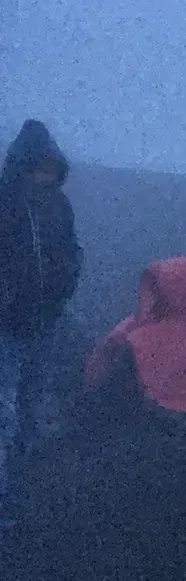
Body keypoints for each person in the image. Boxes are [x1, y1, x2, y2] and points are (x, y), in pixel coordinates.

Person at [0, 120, 81, 498]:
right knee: (5, 410)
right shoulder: (6, 202)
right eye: (39, 166)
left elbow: (71, 252)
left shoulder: (58, 204)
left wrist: (64, 289)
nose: (45, 174)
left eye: (50, 166)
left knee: (30, 405)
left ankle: (20, 485)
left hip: (45, 322)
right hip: (9, 327)